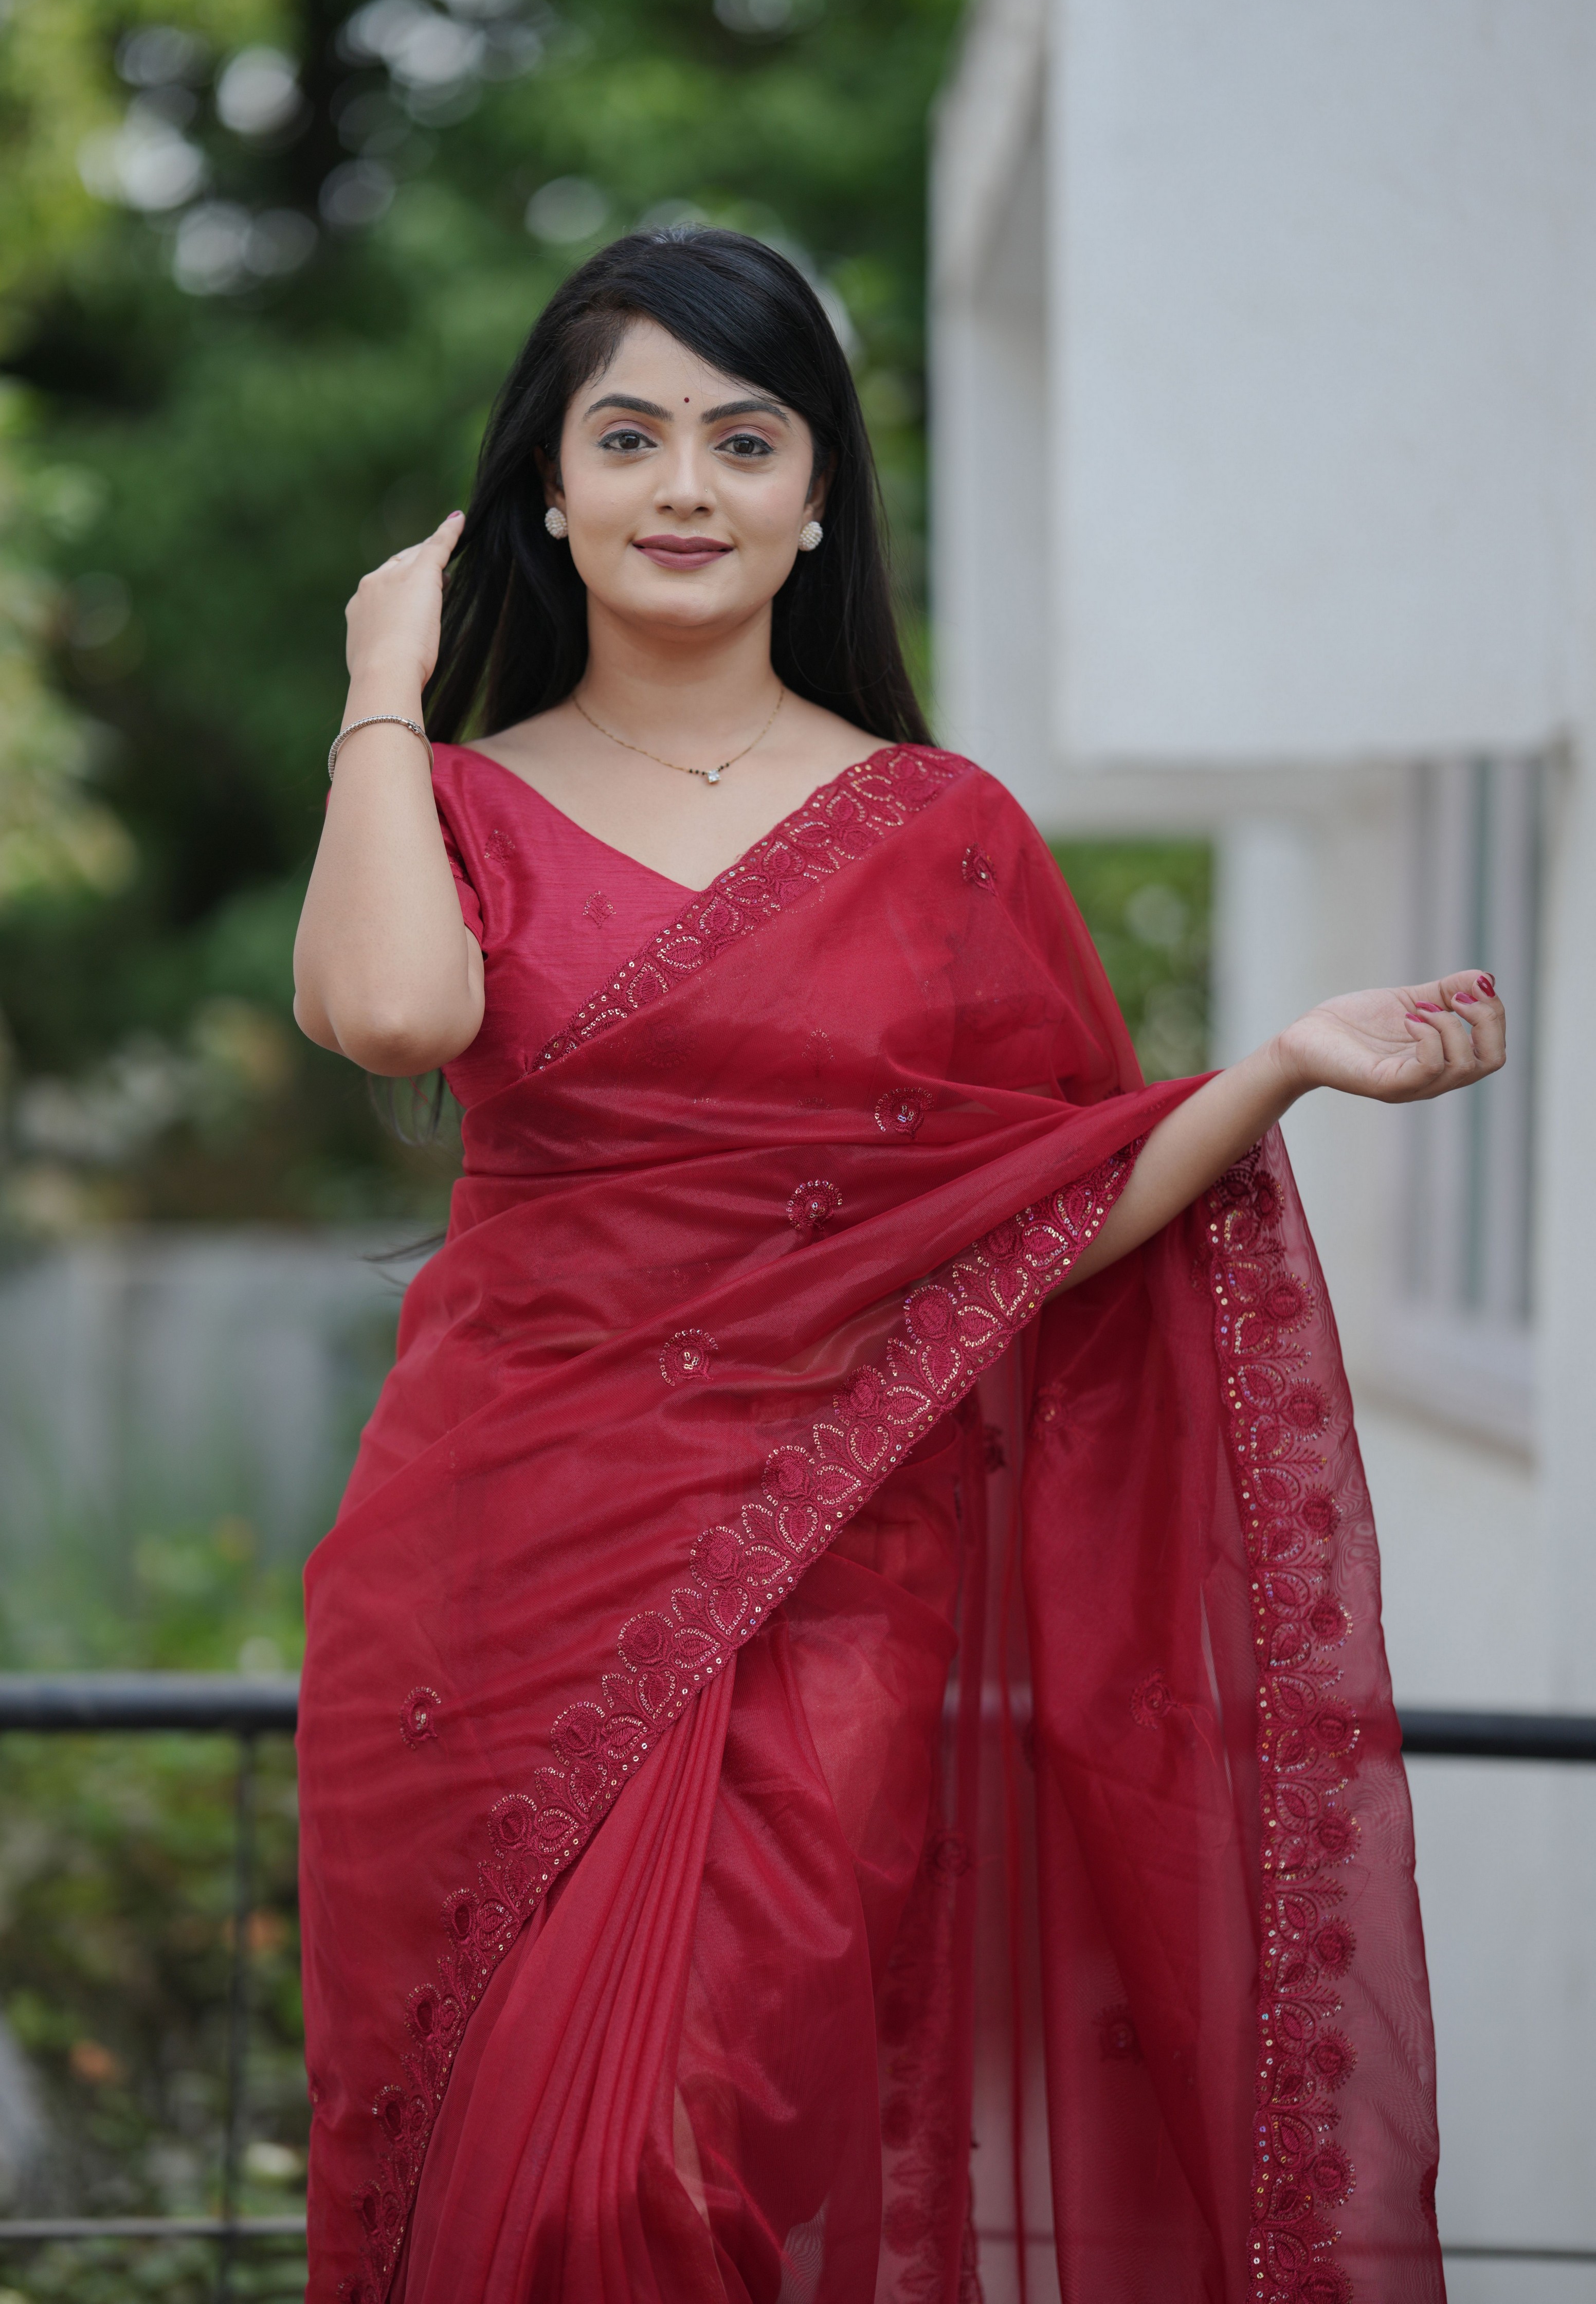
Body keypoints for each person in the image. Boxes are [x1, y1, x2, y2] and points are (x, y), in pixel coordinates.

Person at [292, 228, 1501, 2304]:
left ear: (819, 496)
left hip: (828, 1562)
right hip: (486, 1567)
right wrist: (385, 692)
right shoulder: (456, 802)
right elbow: (395, 1012)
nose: (685, 486)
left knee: (681, 2166)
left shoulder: (941, 832)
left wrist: (1278, 1072)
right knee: (494, 2168)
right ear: (547, 494)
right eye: (626, 439)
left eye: (744, 440)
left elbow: (1034, 1213)